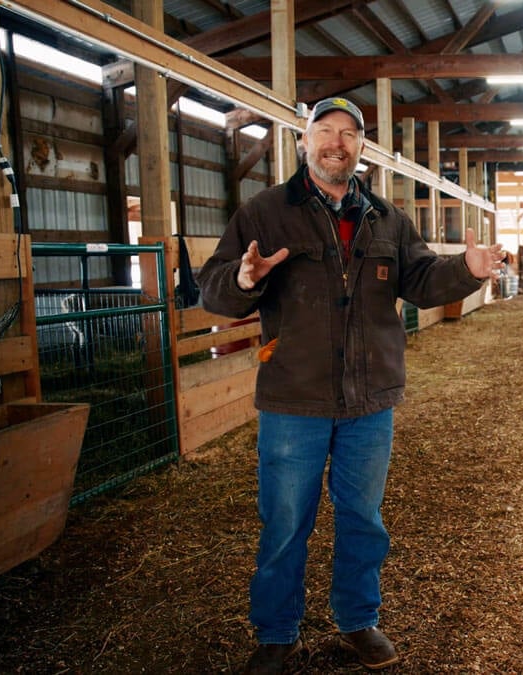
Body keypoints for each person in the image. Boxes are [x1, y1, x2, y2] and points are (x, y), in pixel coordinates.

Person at [198, 96, 505, 674]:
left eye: (349, 133)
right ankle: (277, 632)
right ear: (303, 141)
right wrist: (242, 279)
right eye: (326, 131)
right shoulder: (264, 212)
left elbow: (419, 279)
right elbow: (214, 288)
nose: (337, 142)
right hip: (295, 397)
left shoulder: (386, 218)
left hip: (370, 399)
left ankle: (358, 620)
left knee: (363, 519)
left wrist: (468, 270)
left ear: (362, 148)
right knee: (287, 521)